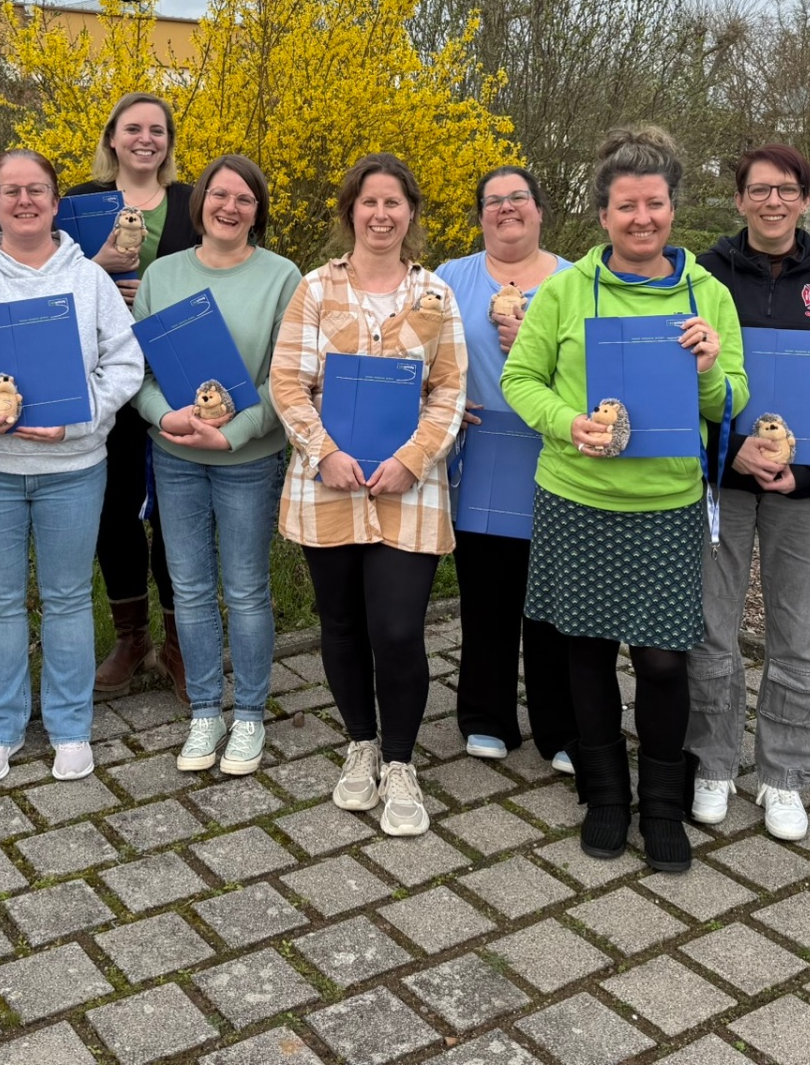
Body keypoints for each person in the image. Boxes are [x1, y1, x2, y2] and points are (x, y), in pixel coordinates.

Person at [502, 127, 747, 870]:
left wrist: (708, 366)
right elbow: (520, 380)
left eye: (656, 205)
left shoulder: (709, 295)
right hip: (578, 497)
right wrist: (565, 423)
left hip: (665, 503)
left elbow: (730, 401)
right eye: (626, 207)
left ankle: (664, 804)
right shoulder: (568, 291)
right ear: (602, 215)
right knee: (586, 653)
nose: (642, 219)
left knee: (665, 663)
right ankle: (607, 795)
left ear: (674, 208)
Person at [0, 150, 144, 785]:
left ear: (53, 200)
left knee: (69, 597)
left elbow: (123, 363)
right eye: (10, 190)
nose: (24, 201)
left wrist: (79, 418)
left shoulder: (89, 279)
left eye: (36, 189)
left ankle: (70, 725)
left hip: (72, 463)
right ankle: (0, 726)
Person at [271, 153, 468, 837]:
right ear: (350, 211)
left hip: (408, 488)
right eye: (368, 202)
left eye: (393, 203)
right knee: (343, 625)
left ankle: (403, 761)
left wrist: (414, 460)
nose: (380, 214)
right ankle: (360, 742)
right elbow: (288, 382)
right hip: (329, 481)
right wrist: (324, 453)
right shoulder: (315, 289)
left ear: (410, 212)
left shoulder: (437, 296)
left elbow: (449, 388)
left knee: (397, 628)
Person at [691, 144, 810, 844]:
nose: (773, 201)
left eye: (787, 190)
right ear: (739, 199)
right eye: (759, 190)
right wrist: (723, 451)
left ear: (805, 199)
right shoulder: (704, 276)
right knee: (710, 629)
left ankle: (785, 775)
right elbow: (682, 379)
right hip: (722, 483)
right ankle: (712, 763)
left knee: (800, 640)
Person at [131, 155, 302, 774]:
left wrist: (236, 435)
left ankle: (251, 715)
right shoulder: (163, 275)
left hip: (248, 459)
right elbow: (138, 372)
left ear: (258, 211)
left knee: (247, 590)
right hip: (174, 456)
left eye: (245, 199)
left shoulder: (284, 277)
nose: (230, 208)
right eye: (219, 196)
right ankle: (206, 710)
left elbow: (288, 380)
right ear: (200, 202)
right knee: (191, 588)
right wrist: (161, 416)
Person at [434, 167, 577, 770]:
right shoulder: (449, 278)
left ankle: (562, 727)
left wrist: (532, 344)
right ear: (480, 215)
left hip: (555, 448)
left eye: (519, 198)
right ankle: (486, 715)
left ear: (541, 211)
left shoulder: (576, 281)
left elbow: (593, 367)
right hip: (480, 444)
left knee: (553, 598)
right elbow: (422, 351)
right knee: (486, 591)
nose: (506, 208)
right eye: (493, 201)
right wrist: (436, 399)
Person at [66, 92, 200, 700]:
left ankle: (178, 641)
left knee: (176, 509)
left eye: (158, 130)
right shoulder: (77, 204)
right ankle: (131, 637)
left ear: (168, 142)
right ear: (112, 138)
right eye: (133, 129)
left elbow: (218, 268)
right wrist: (98, 272)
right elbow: (55, 280)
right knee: (113, 507)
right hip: (101, 372)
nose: (146, 139)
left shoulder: (193, 202)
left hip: (178, 370)